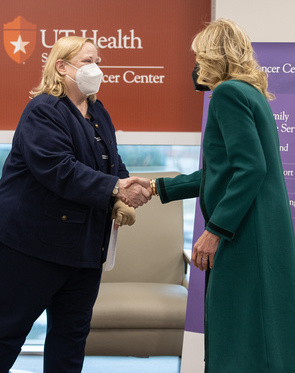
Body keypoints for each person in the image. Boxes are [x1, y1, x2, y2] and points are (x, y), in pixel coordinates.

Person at [125, 19, 295, 373]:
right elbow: (227, 169)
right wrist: (159, 187)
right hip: (262, 232)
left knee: (239, 337)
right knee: (262, 332)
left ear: (213, 55)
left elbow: (250, 170)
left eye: (200, 55)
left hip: (244, 235)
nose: (196, 64)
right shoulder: (252, 93)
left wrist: (215, 230)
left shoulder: (228, 94)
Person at [0, 36, 150, 373]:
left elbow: (111, 163)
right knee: (6, 333)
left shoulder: (98, 112)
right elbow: (59, 170)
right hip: (32, 249)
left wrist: (125, 189)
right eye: (86, 61)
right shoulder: (42, 110)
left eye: (98, 61)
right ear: (62, 67)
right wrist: (116, 188)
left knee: (70, 342)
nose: (95, 68)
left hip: (83, 252)